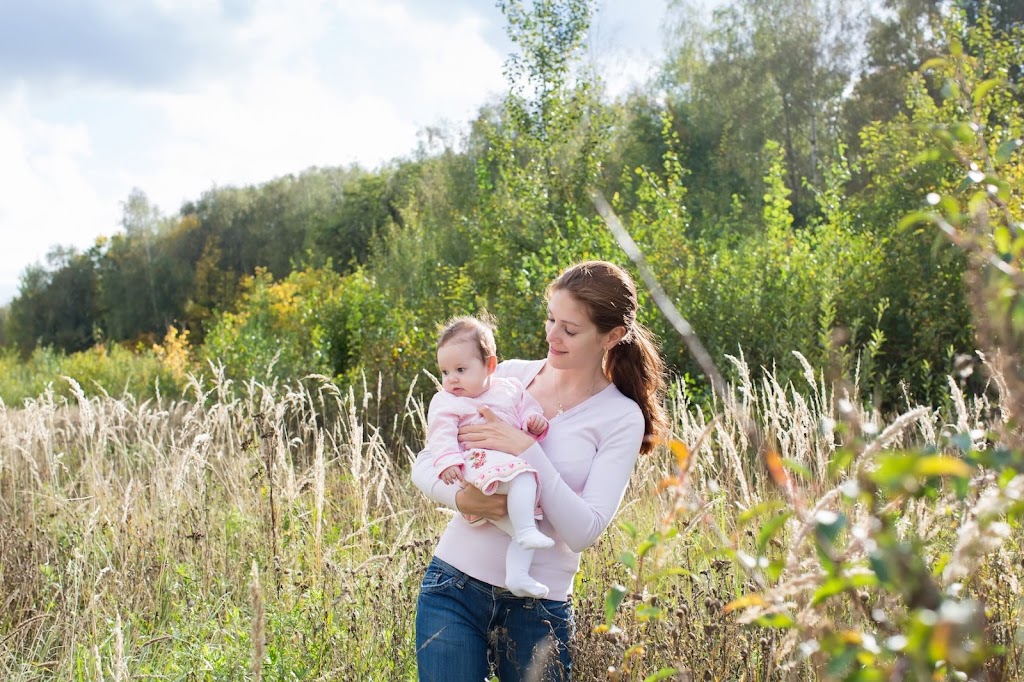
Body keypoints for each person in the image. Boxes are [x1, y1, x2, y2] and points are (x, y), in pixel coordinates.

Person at [412, 260, 669, 681]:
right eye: (551, 319)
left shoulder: (620, 417)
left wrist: (529, 450)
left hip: (538, 610)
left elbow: (584, 530)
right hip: (453, 588)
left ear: (613, 336)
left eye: (570, 329)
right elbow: (426, 462)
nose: (552, 336)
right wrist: (461, 497)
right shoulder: (508, 378)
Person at [428, 314, 555, 599]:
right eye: (445, 372)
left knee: (524, 523)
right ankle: (524, 532)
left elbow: (527, 410)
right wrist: (449, 460)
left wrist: (534, 421)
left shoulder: (509, 388)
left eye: (460, 369)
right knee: (525, 479)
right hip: (477, 464)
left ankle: (518, 576)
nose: (452, 380)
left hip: (504, 468)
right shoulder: (448, 401)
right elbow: (440, 433)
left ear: (490, 365)